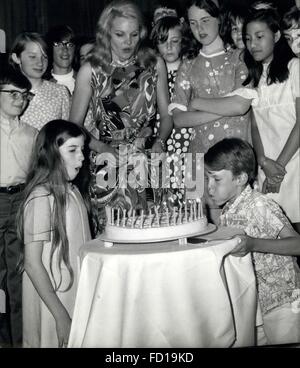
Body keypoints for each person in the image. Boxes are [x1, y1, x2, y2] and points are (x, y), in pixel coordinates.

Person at [70, 0, 172, 222]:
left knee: (153, 229)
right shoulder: (90, 70)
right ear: (107, 33)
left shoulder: (154, 64)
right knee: (113, 232)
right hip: (108, 161)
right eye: (120, 34)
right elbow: (74, 126)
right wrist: (101, 146)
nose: (128, 42)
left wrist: (160, 142)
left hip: (147, 158)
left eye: (134, 35)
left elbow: (166, 116)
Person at [204, 137, 300, 345]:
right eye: (207, 179)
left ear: (240, 179)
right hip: (256, 302)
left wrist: (254, 243)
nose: (209, 187)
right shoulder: (229, 209)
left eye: (217, 179)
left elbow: (297, 244)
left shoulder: (259, 205)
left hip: (282, 300)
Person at [169, 0, 253, 222]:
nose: (200, 29)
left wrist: (197, 102)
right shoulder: (187, 65)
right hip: (198, 161)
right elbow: (179, 119)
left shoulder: (240, 57)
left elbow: (240, 105)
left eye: (205, 21)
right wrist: (225, 108)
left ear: (219, 19)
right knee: (202, 233)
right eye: (194, 23)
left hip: (235, 157)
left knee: (239, 232)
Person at [17, 120, 92, 348]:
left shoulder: (73, 191)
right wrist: (60, 316)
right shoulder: (41, 197)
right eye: (72, 150)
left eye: (82, 149)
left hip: (73, 290)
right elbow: (32, 263)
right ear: (50, 153)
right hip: (52, 300)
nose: (82, 157)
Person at [242, 5, 300, 232]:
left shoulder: (294, 67)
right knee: (277, 234)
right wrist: (265, 162)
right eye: (247, 38)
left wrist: (279, 167)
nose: (252, 44)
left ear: (276, 36)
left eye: (259, 37)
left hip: (293, 164)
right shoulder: (253, 77)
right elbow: (254, 125)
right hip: (268, 168)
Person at [0, 63, 38, 347]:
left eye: (24, 95)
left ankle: (18, 341)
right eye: (13, 93)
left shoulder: (31, 133)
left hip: (20, 200)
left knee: (17, 275)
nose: (20, 100)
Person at [151, 15, 193, 202]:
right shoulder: (150, 75)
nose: (169, 47)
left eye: (174, 41)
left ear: (183, 42)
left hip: (189, 140)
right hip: (162, 141)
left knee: (191, 196)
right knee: (166, 198)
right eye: (163, 42)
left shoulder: (191, 69)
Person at [9, 32, 70, 130]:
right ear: (16, 58)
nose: (40, 63)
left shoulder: (60, 91)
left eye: (44, 57)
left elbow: (68, 130)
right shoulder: (6, 93)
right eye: (32, 57)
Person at [45, 25, 77, 94]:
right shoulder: (43, 84)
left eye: (69, 44)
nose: (65, 49)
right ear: (50, 49)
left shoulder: (85, 80)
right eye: (59, 44)